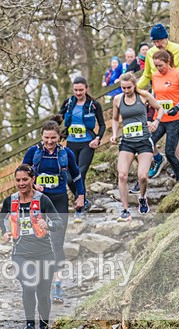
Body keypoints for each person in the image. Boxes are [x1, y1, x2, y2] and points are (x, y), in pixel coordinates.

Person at [0, 164, 63, 329]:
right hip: (21, 253)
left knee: (43, 293)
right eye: (18, 180)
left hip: (44, 252)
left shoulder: (43, 200)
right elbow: (1, 217)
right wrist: (5, 232)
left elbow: (58, 222)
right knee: (28, 286)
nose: (21, 183)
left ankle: (44, 328)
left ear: (33, 179)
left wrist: (48, 225)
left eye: (25, 179)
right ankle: (29, 327)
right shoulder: (10, 201)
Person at [22, 120, 84, 304]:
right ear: (41, 137)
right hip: (38, 202)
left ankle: (57, 284)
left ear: (59, 137)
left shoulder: (66, 153)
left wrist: (81, 195)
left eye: (53, 138)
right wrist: (34, 185)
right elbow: (22, 176)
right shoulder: (33, 152)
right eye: (46, 138)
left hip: (59, 201)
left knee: (56, 243)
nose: (49, 141)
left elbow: (76, 175)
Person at [110, 72, 164, 222]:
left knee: (142, 176)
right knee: (122, 175)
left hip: (144, 141)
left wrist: (156, 121)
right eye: (123, 88)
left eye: (129, 87)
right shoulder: (117, 99)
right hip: (127, 142)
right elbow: (115, 119)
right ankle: (125, 210)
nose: (126, 90)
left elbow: (160, 108)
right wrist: (114, 134)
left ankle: (142, 197)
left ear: (134, 85)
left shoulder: (143, 96)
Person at [59, 76, 105, 222]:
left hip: (87, 144)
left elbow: (102, 124)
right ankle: (84, 201)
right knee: (68, 177)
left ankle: (80, 209)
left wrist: (97, 138)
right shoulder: (68, 103)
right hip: (71, 143)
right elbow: (59, 119)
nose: (78, 93)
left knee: (80, 174)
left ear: (86, 89)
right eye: (76, 90)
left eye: (81, 90)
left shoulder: (94, 105)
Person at [149, 50, 179, 187]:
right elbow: (154, 95)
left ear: (168, 62)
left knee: (169, 152)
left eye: (161, 65)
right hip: (159, 118)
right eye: (156, 66)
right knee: (147, 143)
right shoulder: (155, 76)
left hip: (175, 119)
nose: (158, 68)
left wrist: (178, 107)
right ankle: (157, 160)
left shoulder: (178, 74)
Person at [139, 24, 179, 101]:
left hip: (177, 95)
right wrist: (135, 87)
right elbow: (147, 75)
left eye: (159, 41)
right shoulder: (150, 53)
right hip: (158, 95)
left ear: (165, 38)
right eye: (154, 42)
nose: (157, 44)